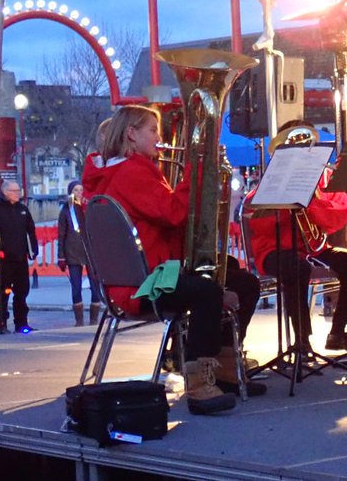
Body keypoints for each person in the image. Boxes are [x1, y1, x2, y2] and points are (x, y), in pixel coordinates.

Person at [83, 105, 246, 415]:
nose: (160, 138)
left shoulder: (118, 170)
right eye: (153, 131)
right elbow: (173, 212)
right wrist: (195, 174)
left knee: (238, 277)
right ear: (131, 134)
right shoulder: (130, 172)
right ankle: (199, 385)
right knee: (208, 291)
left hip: (144, 277)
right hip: (145, 285)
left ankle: (224, 371)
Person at [247, 119, 347, 355]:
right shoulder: (271, 179)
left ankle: (338, 331)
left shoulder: (323, 179)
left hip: (315, 249)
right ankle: (301, 340)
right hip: (275, 250)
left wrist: (311, 201)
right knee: (297, 267)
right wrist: (288, 201)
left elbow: (339, 216)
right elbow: (259, 223)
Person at [0, 181, 38, 334]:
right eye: (15, 190)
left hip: (21, 258)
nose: (18, 193)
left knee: (22, 292)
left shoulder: (22, 209)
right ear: (5, 192)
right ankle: (1, 323)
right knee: (3, 292)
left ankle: (21, 323)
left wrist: (33, 250)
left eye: (19, 190)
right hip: (4, 259)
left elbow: (31, 230)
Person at [57, 181, 102, 327]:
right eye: (76, 190)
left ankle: (94, 318)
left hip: (90, 252)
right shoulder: (66, 210)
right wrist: (61, 256)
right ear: (70, 192)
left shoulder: (89, 207)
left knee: (95, 285)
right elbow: (61, 234)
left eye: (81, 190)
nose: (79, 193)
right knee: (76, 286)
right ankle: (79, 320)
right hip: (73, 252)